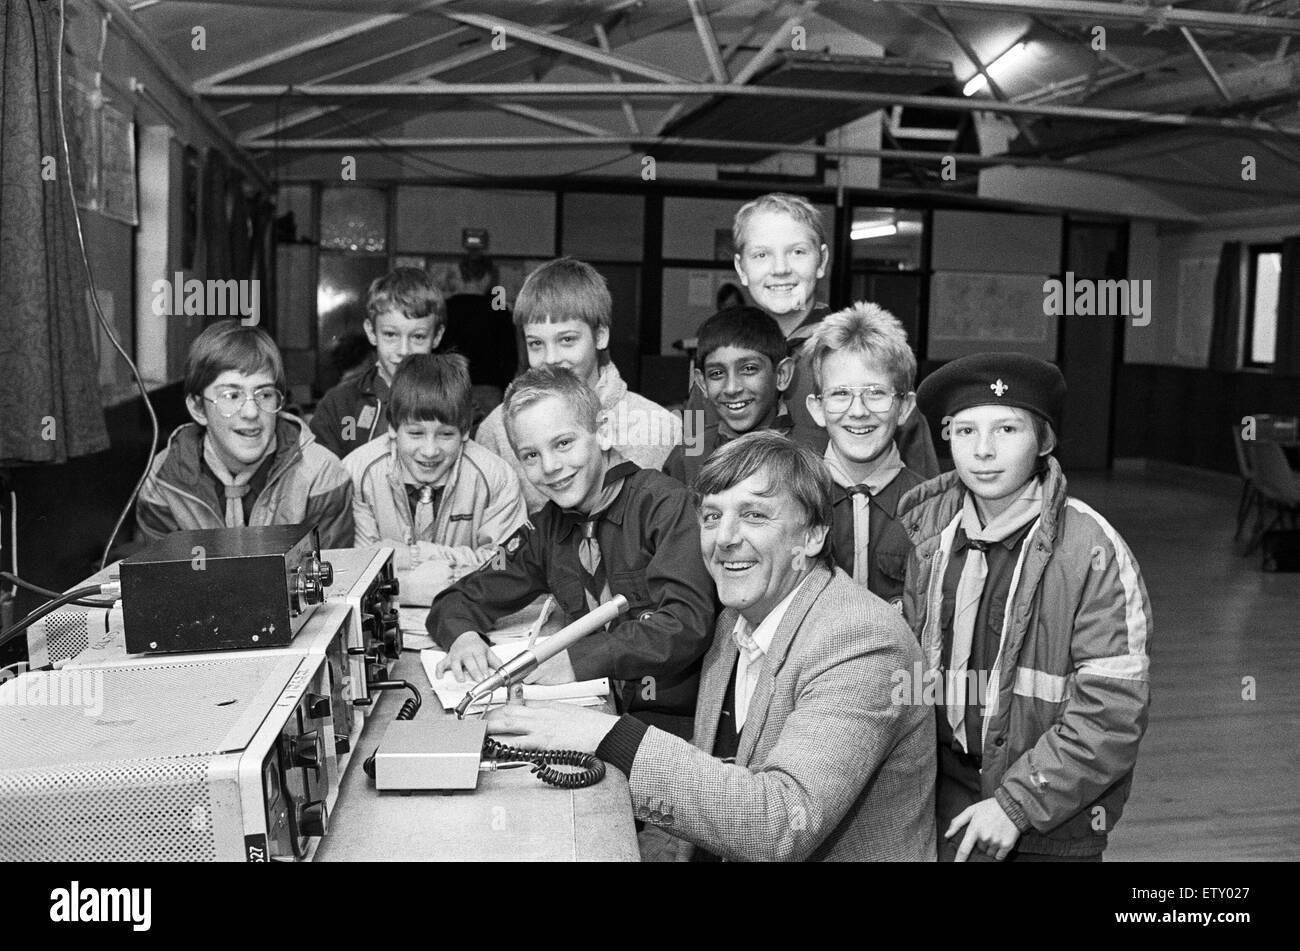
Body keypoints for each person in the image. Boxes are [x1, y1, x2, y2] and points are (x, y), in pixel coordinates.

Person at [485, 431, 937, 861]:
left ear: (813, 535)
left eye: (755, 515)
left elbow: (782, 824)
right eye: (712, 516)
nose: (724, 539)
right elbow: (710, 793)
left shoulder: (860, 640)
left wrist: (607, 737)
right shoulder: (734, 622)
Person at [899, 352, 1152, 862]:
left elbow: (1113, 713)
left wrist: (1017, 803)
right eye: (965, 431)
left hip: (1050, 815)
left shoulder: (1091, 550)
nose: (984, 451)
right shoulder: (927, 536)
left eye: (1008, 429)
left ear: (1046, 441)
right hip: (940, 799)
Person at [427, 365, 716, 738]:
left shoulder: (665, 507)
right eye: (530, 456)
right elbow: (458, 598)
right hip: (587, 711)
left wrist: (578, 661)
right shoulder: (547, 528)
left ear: (604, 432)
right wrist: (463, 636)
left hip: (671, 726)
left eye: (563, 443)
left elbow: (685, 624)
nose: (550, 467)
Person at [723, 192, 939, 477]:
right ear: (741, 267)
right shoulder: (716, 359)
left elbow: (922, 478)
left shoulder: (866, 351)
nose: (780, 269)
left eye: (797, 252)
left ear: (822, 260)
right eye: (761, 255)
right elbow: (692, 441)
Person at [474, 257, 682, 510]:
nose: (550, 359)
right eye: (536, 344)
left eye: (567, 340)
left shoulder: (660, 427)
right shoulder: (497, 429)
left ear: (601, 335)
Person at [136, 320, 353, 547]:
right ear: (198, 409)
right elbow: (163, 577)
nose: (251, 412)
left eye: (265, 394)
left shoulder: (321, 475)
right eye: (232, 396)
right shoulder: (164, 478)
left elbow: (333, 576)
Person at [342, 353, 527, 606]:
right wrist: (406, 589)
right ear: (393, 428)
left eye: (446, 434)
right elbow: (354, 567)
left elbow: (507, 564)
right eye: (416, 433)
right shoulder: (357, 472)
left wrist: (417, 556)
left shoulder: (497, 477)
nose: (430, 450)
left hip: (470, 614)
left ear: (464, 431)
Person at [803, 302, 924, 606]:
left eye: (876, 393)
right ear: (817, 408)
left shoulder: (934, 509)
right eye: (840, 393)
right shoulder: (790, 499)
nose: (858, 411)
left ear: (905, 407)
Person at [310, 267, 446, 459]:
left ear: (437, 336)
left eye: (418, 337)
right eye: (391, 335)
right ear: (372, 332)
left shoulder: (457, 402)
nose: (404, 350)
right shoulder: (340, 404)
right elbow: (321, 477)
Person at [662, 306, 792, 487]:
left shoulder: (811, 453)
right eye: (716, 373)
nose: (731, 388)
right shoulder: (688, 456)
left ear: (781, 375)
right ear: (702, 383)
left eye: (749, 369)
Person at [439, 253, 518, 418]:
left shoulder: (445, 309)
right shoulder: (499, 311)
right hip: (489, 390)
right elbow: (510, 355)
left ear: (461, 274)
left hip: (450, 388)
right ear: (487, 277)